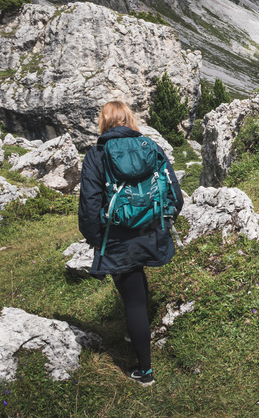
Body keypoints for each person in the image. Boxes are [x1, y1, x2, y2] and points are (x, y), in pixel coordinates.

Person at [77, 101, 183, 387]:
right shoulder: (151, 147)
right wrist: (161, 221)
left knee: (132, 294)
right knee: (135, 284)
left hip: (117, 235)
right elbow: (176, 194)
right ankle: (136, 331)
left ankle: (145, 371)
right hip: (150, 230)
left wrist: (95, 239)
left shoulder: (97, 155)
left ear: (104, 123)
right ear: (129, 119)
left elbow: (88, 205)